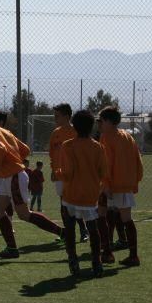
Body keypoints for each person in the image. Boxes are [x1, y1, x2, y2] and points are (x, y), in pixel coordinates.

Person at [0, 106, 62, 259]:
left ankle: (62, 232)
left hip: (14, 177)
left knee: (23, 214)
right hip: (9, 177)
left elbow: (1, 151)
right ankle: (12, 248)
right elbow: (25, 150)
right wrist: (13, 161)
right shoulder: (5, 132)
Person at [56, 110, 108, 277]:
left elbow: (68, 173)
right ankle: (96, 262)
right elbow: (103, 172)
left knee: (70, 228)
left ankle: (73, 259)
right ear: (92, 126)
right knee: (93, 229)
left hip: (71, 194)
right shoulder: (98, 147)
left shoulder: (68, 146)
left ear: (74, 126)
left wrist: (57, 173)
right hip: (90, 195)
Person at [99, 106, 144, 267]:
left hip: (115, 185)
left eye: (102, 121)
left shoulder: (107, 137)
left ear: (109, 122)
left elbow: (106, 163)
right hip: (127, 184)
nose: (100, 125)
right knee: (126, 219)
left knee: (109, 218)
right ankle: (133, 255)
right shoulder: (127, 136)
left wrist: (106, 184)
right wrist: (135, 181)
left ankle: (108, 253)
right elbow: (138, 160)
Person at [49, 104, 90, 243]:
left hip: (74, 175)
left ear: (67, 116)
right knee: (63, 204)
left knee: (74, 204)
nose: (55, 118)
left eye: (57, 116)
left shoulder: (77, 132)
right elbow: (52, 154)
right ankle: (67, 232)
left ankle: (84, 230)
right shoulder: (55, 133)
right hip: (59, 175)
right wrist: (53, 170)